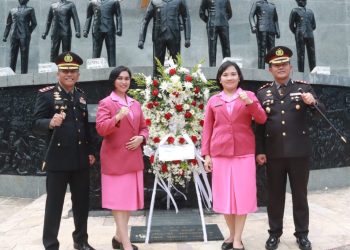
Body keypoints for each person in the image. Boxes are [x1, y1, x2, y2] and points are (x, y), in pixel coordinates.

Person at [255, 46, 324, 250]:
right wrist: (260, 150)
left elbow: (320, 113)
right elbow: (258, 126)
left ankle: (302, 234)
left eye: (284, 64)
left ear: (291, 67)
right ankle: (274, 234)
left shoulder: (303, 88)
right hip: (274, 154)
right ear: (270, 70)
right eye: (276, 65)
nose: (281, 67)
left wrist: (313, 103)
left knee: (300, 196)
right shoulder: (262, 92)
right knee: (274, 197)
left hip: (299, 153)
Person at [32, 51, 96, 250]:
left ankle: (81, 240)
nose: (69, 74)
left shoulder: (81, 96)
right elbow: (34, 123)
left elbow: (86, 127)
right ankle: (51, 244)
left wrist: (91, 151)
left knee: (82, 204)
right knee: (54, 205)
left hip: (80, 159)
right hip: (58, 160)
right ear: (58, 73)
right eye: (65, 71)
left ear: (78, 74)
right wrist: (50, 122)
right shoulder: (47, 95)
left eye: (73, 71)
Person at [201, 60, 267, 250]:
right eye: (225, 75)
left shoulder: (249, 96)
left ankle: (237, 239)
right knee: (224, 197)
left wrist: (250, 104)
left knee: (242, 197)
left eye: (233, 74)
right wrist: (206, 155)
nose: (229, 78)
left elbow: (261, 118)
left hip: (243, 153)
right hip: (220, 153)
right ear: (220, 79)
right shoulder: (214, 100)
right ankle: (231, 234)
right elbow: (207, 129)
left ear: (239, 77)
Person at [96, 66, 149, 250]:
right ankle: (126, 244)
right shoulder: (106, 103)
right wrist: (117, 117)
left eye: (127, 78)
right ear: (113, 80)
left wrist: (142, 138)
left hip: (133, 158)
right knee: (118, 202)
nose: (124, 81)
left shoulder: (135, 103)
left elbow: (144, 127)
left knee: (127, 202)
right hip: (115, 159)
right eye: (120, 78)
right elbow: (101, 129)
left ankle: (119, 237)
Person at [138, 0, 191, 76]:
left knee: (175, 65)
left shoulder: (179, 1)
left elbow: (186, 17)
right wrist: (141, 39)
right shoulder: (154, 1)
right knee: (157, 65)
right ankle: (156, 85)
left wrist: (187, 38)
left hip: (174, 36)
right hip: (158, 37)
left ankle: (176, 85)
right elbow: (145, 20)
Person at [83, 0, 122, 67]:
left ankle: (112, 69)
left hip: (109, 29)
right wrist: (86, 30)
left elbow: (118, 16)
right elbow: (89, 17)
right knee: (96, 51)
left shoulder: (114, 2)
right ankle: (94, 69)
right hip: (97, 29)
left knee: (111, 51)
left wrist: (119, 29)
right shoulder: (92, 2)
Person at [2, 0, 37, 74]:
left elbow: (34, 23)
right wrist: (5, 35)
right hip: (14, 35)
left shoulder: (30, 9)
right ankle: (11, 73)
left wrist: (28, 32)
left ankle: (24, 74)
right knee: (12, 55)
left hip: (24, 36)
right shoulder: (12, 10)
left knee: (24, 55)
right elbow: (8, 24)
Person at [199, 0, 232, 67]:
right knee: (212, 48)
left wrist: (223, 19)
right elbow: (201, 13)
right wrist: (209, 21)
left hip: (223, 24)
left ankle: (227, 66)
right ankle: (212, 67)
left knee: (226, 47)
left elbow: (230, 13)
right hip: (212, 24)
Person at [249, 0, 280, 69]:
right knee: (262, 51)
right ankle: (261, 69)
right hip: (261, 29)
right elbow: (251, 15)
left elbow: (275, 19)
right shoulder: (257, 4)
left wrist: (277, 30)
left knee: (272, 51)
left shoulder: (272, 6)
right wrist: (253, 26)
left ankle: (272, 69)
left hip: (271, 30)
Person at [289, 0, 316, 72]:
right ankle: (301, 72)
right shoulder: (294, 11)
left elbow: (314, 25)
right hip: (300, 34)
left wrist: (309, 30)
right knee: (301, 54)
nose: (303, 1)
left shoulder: (310, 12)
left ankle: (313, 72)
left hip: (310, 35)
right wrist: (297, 32)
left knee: (312, 54)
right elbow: (291, 25)